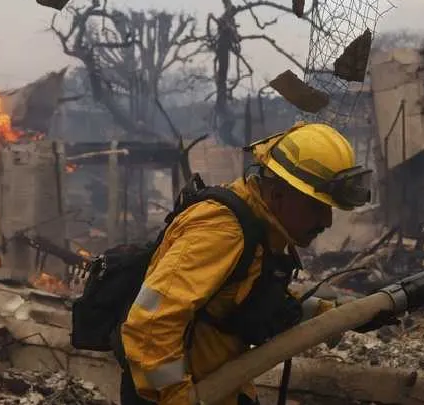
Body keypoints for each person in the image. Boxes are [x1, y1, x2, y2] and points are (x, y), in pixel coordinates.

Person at [118, 122, 373, 405]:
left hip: (224, 390)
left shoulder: (259, 227)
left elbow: (246, 302)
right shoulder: (223, 232)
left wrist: (336, 316)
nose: (326, 221)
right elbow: (150, 323)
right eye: (316, 206)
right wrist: (176, 396)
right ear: (278, 194)